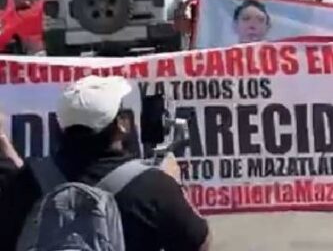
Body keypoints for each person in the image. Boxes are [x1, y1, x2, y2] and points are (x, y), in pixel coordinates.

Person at [0, 76, 210, 251]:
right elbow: (199, 243)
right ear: (121, 124)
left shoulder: (28, 181)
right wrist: (175, 185)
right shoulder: (152, 185)